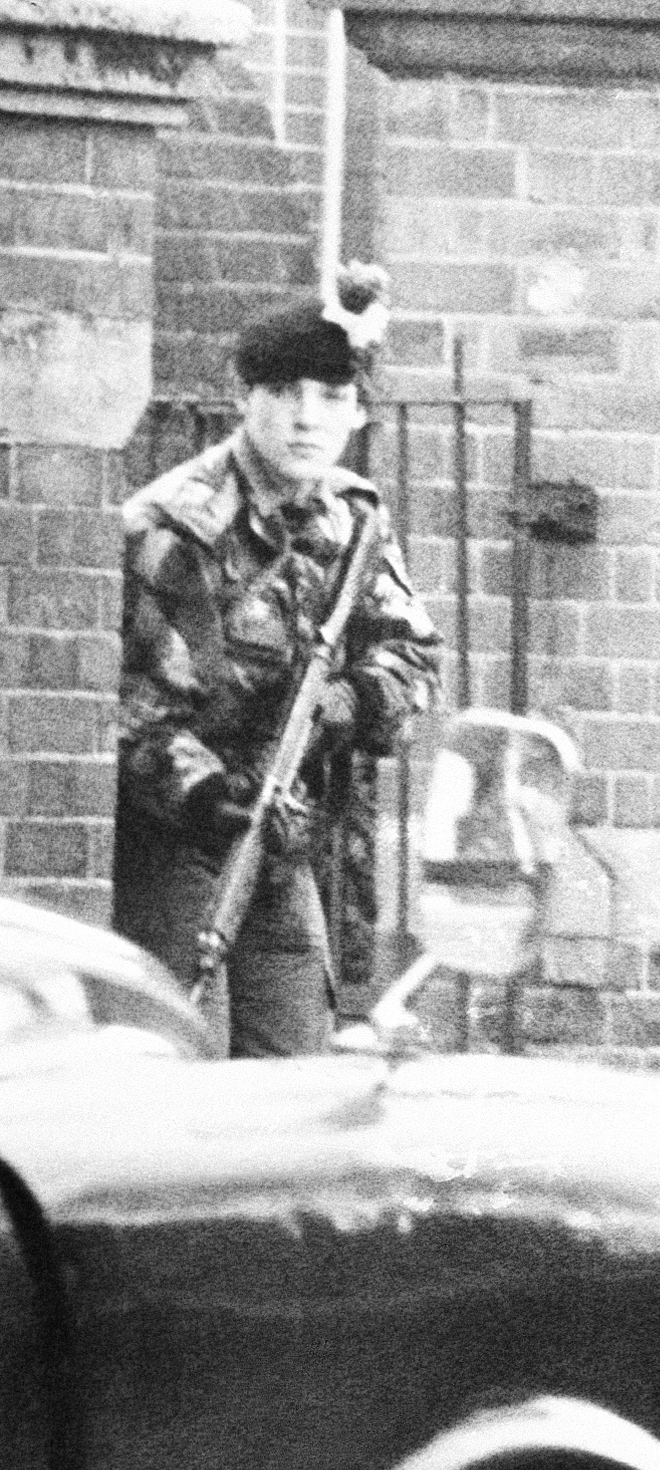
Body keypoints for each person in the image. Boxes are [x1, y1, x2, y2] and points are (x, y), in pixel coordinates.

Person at [113, 267, 440, 1055]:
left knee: (294, 1060)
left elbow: (415, 656)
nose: (306, 418)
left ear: (357, 410)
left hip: (287, 833)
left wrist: (350, 702)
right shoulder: (176, 527)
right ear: (244, 397)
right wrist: (217, 798)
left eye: (331, 397)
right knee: (185, 1053)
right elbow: (141, 715)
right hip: (182, 835)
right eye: (285, 391)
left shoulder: (352, 518)